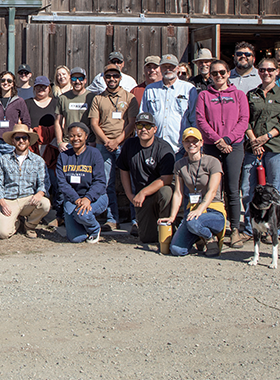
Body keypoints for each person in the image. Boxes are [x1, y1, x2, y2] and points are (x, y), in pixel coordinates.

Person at [195, 59, 249, 247]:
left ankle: (234, 230)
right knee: (211, 189)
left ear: (228, 73)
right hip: (211, 145)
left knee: (232, 190)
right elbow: (201, 120)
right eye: (215, 73)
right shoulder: (204, 96)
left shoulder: (239, 95)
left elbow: (244, 120)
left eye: (222, 72)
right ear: (210, 75)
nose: (219, 76)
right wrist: (217, 140)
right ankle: (211, 229)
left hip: (234, 146)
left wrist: (228, 140)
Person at [241, 58, 280, 241]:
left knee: (274, 190)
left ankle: (273, 228)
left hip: (276, 148)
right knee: (248, 188)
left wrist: (265, 137)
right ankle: (251, 228)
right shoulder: (251, 94)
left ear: (277, 72)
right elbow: (245, 119)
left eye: (270, 70)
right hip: (253, 148)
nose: (266, 73)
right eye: (262, 70)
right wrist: (254, 140)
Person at [88, 64, 138, 232]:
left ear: (120, 78)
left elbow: (132, 123)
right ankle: (111, 218)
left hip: (125, 144)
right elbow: (94, 123)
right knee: (107, 183)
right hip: (104, 146)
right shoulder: (98, 98)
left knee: (131, 182)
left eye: (115, 76)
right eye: (108, 76)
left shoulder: (130, 98)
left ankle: (135, 219)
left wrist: (117, 140)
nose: (112, 79)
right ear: (104, 79)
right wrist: (107, 141)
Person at [160, 127, 225, 256]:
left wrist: (199, 210)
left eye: (195, 141)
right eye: (187, 141)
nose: (191, 144)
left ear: (201, 142)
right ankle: (198, 236)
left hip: (213, 210)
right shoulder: (180, 165)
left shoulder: (213, 162)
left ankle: (209, 239)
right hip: (193, 212)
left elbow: (212, 191)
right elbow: (178, 193)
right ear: (183, 143)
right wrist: (172, 217)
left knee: (193, 222)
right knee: (177, 250)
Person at [117, 112, 175, 249]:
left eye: (148, 126)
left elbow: (166, 178)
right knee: (146, 238)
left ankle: (167, 230)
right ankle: (152, 229)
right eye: (140, 126)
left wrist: (143, 192)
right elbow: (123, 169)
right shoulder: (130, 145)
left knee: (166, 192)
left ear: (155, 129)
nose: (144, 129)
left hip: (159, 191)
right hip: (142, 197)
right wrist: (130, 195)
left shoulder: (164, 148)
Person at [0, 123, 51, 239]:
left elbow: (44, 182)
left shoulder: (38, 161)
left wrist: (40, 193)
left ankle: (30, 225)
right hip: (10, 200)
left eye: (24, 138)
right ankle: (17, 222)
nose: (21, 141)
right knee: (3, 234)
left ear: (29, 141)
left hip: (29, 199)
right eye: (17, 138)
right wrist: (2, 203)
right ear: (13, 141)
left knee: (45, 204)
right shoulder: (4, 160)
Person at [55, 122, 107, 243]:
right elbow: (62, 183)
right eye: (72, 136)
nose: (75, 139)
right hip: (73, 199)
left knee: (82, 214)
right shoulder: (63, 156)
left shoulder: (94, 154)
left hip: (95, 198)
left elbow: (100, 181)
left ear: (86, 136)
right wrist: (76, 199)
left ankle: (94, 229)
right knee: (76, 238)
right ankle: (84, 226)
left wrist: (88, 198)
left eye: (79, 135)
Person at [141, 54, 198, 151]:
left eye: (171, 66)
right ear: (160, 68)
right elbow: (143, 117)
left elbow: (194, 119)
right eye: (165, 66)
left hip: (180, 147)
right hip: (155, 147)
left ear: (178, 68)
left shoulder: (189, 89)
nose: (168, 69)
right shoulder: (150, 89)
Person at [26, 76, 61, 221]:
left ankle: (59, 214)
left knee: (56, 181)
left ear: (49, 88)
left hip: (53, 147)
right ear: (34, 88)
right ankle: (33, 213)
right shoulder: (27, 103)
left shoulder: (56, 103)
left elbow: (61, 123)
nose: (41, 89)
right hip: (33, 148)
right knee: (33, 181)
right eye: (38, 86)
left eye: (44, 87)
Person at [56, 67, 93, 151]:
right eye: (74, 78)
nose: (77, 81)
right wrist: (59, 142)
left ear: (85, 80)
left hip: (88, 142)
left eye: (80, 78)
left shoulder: (92, 97)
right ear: (70, 79)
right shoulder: (63, 98)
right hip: (68, 143)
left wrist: (94, 141)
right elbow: (58, 121)